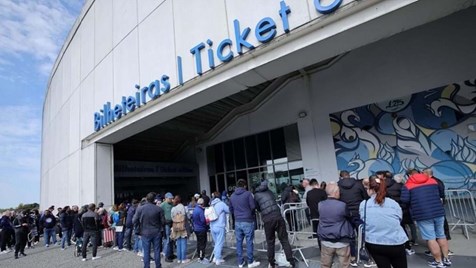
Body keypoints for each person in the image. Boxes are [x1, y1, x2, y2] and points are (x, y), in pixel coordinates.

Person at [401, 171, 451, 268]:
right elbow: (441, 193)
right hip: (438, 212)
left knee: (430, 238)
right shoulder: (432, 181)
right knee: (441, 235)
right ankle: (446, 259)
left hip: (422, 214)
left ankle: (438, 261)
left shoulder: (407, 185)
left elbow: (405, 200)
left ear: (410, 176)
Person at [360, 177, 408, 268]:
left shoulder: (364, 204)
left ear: (370, 190)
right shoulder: (393, 203)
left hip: (374, 242)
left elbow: (363, 219)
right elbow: (399, 219)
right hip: (396, 242)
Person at [254, 180, 296, 268]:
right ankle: (291, 261)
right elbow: (274, 199)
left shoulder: (256, 195)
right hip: (277, 216)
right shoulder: (269, 191)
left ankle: (272, 263)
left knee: (270, 241)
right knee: (284, 239)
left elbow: (257, 207)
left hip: (268, 219)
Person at [318, 182, 354, 268]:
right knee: (344, 265)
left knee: (325, 265)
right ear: (335, 193)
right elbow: (350, 216)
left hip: (325, 239)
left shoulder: (320, 204)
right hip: (341, 240)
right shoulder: (342, 205)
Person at [337, 170, 369, 266]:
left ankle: (353, 257)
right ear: (349, 175)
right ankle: (365, 256)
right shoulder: (358, 184)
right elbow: (365, 197)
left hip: (346, 214)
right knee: (362, 234)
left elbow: (337, 199)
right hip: (358, 212)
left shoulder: (338, 186)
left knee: (350, 236)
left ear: (341, 177)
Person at [381, 172, 415, 256]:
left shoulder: (382, 186)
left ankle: (391, 247)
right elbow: (405, 198)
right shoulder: (399, 186)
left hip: (387, 211)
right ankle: (407, 247)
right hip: (401, 210)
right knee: (402, 229)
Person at [423, 168, 454, 256]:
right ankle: (444, 252)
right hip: (438, 209)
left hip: (434, 209)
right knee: (440, 231)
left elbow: (440, 195)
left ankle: (440, 252)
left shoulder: (432, 182)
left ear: (427, 173)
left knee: (437, 232)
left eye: (422, 173)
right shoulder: (437, 181)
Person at [229, 179, 260, 268]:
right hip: (247, 220)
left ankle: (240, 262)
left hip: (237, 221)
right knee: (249, 241)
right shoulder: (248, 194)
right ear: (245, 185)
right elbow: (253, 206)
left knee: (239, 242)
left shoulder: (232, 196)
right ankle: (250, 262)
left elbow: (230, 209)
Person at [133, 192, 166, 268]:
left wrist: (138, 229)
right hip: (156, 231)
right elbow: (163, 222)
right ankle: (158, 266)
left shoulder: (140, 209)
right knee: (157, 251)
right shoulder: (159, 209)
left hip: (145, 231)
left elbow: (134, 220)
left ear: (147, 199)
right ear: (154, 200)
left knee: (146, 251)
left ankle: (146, 266)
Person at [210, 191, 230, 265]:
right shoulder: (221, 204)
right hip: (220, 225)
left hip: (212, 226)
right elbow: (228, 210)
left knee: (216, 243)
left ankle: (215, 257)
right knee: (219, 243)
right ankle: (218, 259)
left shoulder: (211, 204)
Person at [306, 178, 327, 243]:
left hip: (314, 216)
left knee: (318, 234)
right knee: (325, 232)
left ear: (311, 185)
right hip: (323, 215)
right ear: (317, 184)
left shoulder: (309, 193)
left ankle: (320, 248)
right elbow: (326, 203)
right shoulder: (322, 192)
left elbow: (308, 203)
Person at [171, 195, 191, 264]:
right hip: (183, 226)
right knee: (183, 243)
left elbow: (172, 217)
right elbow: (186, 216)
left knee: (178, 243)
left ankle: (179, 258)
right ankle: (183, 258)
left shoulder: (173, 208)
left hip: (175, 226)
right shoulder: (183, 207)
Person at [192, 198, 209, 264]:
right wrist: (207, 222)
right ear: (203, 203)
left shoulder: (195, 209)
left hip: (196, 228)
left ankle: (199, 256)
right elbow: (203, 221)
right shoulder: (201, 210)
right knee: (202, 244)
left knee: (199, 243)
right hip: (201, 229)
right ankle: (201, 257)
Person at [161, 192, 175, 262]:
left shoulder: (172, 204)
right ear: (166, 198)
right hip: (167, 224)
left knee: (172, 240)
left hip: (172, 223)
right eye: (170, 198)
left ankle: (171, 254)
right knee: (168, 240)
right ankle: (167, 255)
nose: (171, 199)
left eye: (172, 198)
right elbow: (160, 214)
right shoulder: (162, 205)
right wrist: (164, 221)